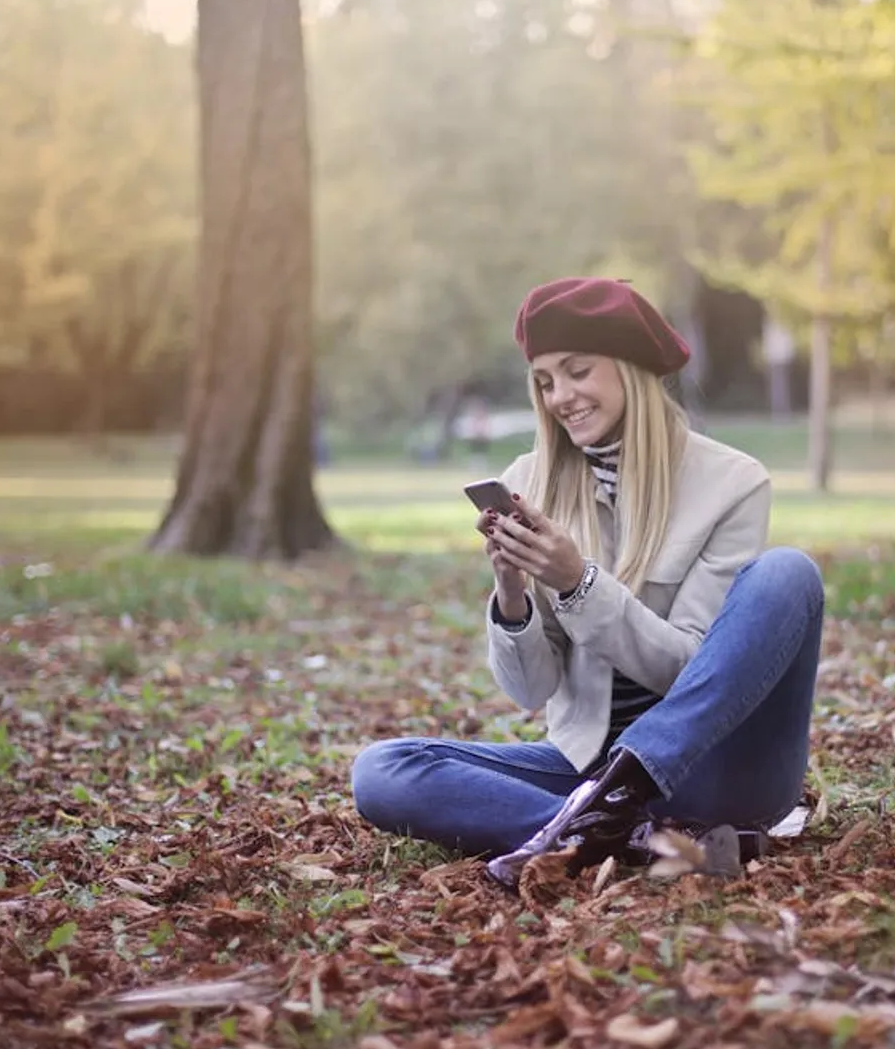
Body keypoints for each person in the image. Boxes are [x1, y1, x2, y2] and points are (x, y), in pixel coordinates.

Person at [350, 277, 825, 888]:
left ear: (630, 370)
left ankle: (611, 808)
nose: (560, 396)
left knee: (788, 573)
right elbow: (532, 690)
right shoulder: (532, 479)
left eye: (578, 371)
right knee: (383, 768)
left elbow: (690, 672)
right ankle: (631, 838)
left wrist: (578, 583)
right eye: (545, 380)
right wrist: (513, 593)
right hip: (586, 768)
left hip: (720, 767)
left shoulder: (733, 483)